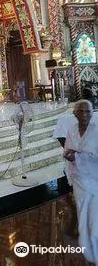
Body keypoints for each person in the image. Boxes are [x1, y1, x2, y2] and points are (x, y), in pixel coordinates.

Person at [63, 100, 98, 265]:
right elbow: (67, 151)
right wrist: (72, 156)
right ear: (75, 114)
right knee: (83, 216)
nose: (85, 115)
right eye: (81, 111)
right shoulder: (71, 130)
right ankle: (89, 253)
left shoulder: (97, 130)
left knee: (94, 220)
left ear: (92, 112)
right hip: (79, 180)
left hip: (95, 180)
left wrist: (79, 155)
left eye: (88, 111)